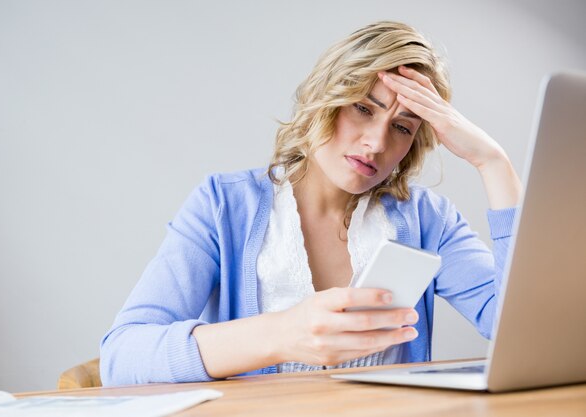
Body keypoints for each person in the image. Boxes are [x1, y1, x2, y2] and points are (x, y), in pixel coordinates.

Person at [99, 21, 522, 385]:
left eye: (402, 127)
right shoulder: (224, 205)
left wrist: (493, 163)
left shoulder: (426, 219)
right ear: (325, 99)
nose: (376, 143)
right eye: (361, 108)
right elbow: (122, 357)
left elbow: (522, 332)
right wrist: (282, 334)